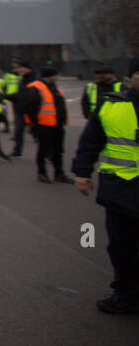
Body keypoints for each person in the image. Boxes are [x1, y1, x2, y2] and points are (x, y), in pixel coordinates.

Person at [72, 59, 139, 314]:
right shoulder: (112, 105)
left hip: (121, 187)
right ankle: (125, 293)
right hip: (121, 188)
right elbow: (91, 140)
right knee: (122, 246)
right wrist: (81, 172)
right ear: (130, 76)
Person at [20, 67, 67, 183]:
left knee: (58, 150)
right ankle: (42, 173)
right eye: (57, 74)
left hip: (57, 123)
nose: (58, 77)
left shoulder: (54, 87)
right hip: (44, 124)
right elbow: (29, 106)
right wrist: (35, 123)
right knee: (44, 149)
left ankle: (59, 173)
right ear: (51, 76)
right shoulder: (36, 86)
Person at [7, 58, 34, 157]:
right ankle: (17, 151)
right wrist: (6, 96)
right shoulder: (23, 79)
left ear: (27, 68)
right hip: (20, 108)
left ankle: (48, 153)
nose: (18, 70)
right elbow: (20, 94)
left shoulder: (34, 78)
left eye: (20, 68)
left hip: (31, 109)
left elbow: (28, 95)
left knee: (39, 133)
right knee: (18, 131)